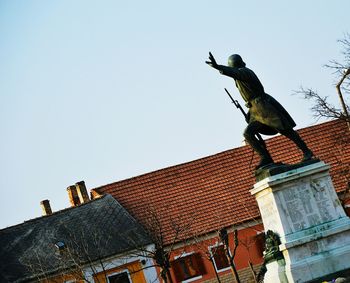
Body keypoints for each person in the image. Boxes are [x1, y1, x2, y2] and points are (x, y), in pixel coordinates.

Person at [206, 52, 314, 169]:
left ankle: (306, 151)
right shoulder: (239, 75)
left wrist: (218, 67)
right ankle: (265, 157)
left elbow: (234, 73)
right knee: (248, 133)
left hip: (263, 106)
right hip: (255, 109)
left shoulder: (244, 72)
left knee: (284, 129)